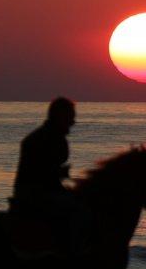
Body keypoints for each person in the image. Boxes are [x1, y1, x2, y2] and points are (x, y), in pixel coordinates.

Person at [9, 97, 90, 256]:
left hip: (37, 190)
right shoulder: (46, 138)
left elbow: (45, 173)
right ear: (60, 116)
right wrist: (60, 175)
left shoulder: (49, 136)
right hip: (34, 194)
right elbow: (41, 175)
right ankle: (71, 253)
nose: (73, 122)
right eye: (70, 117)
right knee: (79, 211)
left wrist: (60, 176)